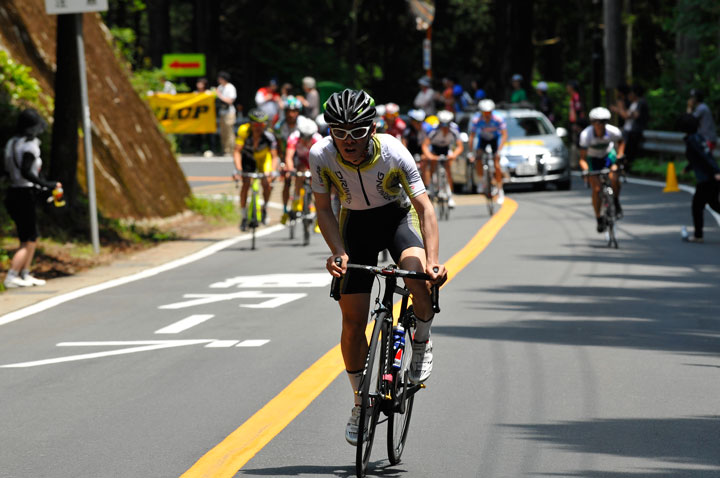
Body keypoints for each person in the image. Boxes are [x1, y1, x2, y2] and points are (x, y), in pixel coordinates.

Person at [309, 89, 447, 445]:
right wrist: (337, 251)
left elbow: (424, 208)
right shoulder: (321, 156)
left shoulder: (393, 152)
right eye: (339, 132)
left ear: (372, 129)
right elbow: (324, 209)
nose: (348, 140)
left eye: (357, 131)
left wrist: (432, 262)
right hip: (354, 227)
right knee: (353, 323)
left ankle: (421, 341)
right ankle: (360, 402)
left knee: (418, 280)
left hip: (395, 221)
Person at [3, 108, 60, 288]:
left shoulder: (12, 143)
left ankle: (25, 273)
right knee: (29, 237)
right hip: (25, 193)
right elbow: (27, 172)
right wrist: (48, 185)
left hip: (13, 191)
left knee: (29, 236)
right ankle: (13, 274)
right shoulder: (29, 145)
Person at [578, 107, 626, 232]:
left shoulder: (613, 131)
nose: (600, 125)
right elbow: (582, 159)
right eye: (596, 122)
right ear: (592, 123)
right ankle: (598, 217)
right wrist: (586, 171)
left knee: (614, 177)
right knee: (597, 189)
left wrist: (620, 155)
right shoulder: (585, 135)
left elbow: (621, 142)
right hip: (593, 159)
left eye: (603, 121)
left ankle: (615, 201)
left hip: (608, 156)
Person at [232, 108, 280, 230]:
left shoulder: (269, 135)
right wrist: (238, 169)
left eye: (262, 124)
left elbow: (274, 156)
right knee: (245, 184)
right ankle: (243, 216)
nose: (259, 127)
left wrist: (273, 171)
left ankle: (265, 209)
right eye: (256, 124)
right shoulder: (244, 131)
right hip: (248, 157)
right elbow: (237, 152)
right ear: (250, 124)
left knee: (266, 183)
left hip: (264, 159)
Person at [678, 113, 720, 243]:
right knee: (713, 203)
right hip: (709, 176)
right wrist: (688, 168)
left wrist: (715, 171)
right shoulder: (698, 137)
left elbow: (704, 157)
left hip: (707, 178)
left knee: (697, 206)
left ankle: (698, 235)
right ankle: (698, 235)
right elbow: (699, 158)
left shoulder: (692, 140)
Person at [282, 116, 324, 223]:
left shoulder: (318, 139)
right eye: (303, 137)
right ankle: (296, 200)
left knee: (317, 181)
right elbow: (289, 156)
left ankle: (316, 209)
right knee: (297, 174)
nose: (305, 140)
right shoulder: (293, 137)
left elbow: (322, 160)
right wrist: (291, 169)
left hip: (313, 161)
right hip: (300, 160)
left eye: (308, 137)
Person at [468, 99, 508, 203]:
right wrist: (471, 152)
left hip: (495, 139)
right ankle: (482, 181)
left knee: (497, 164)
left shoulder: (498, 118)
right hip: (483, 139)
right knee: (478, 157)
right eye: (484, 113)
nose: (487, 115)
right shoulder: (476, 119)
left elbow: (504, 135)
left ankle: (500, 190)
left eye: (489, 112)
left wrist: (499, 150)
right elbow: (472, 136)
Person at [421, 110, 462, 208]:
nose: (444, 127)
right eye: (442, 125)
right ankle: (431, 186)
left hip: (446, 149)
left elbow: (460, 146)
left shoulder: (454, 129)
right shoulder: (433, 130)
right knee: (431, 164)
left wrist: (454, 155)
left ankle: (450, 196)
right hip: (435, 148)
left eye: (446, 125)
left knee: (448, 170)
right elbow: (425, 146)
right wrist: (430, 156)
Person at [617, 85, 649, 167]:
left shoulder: (641, 102)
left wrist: (625, 112)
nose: (629, 95)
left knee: (629, 151)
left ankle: (626, 166)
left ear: (635, 93)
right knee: (622, 149)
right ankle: (622, 165)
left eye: (631, 93)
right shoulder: (633, 103)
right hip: (628, 130)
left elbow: (635, 115)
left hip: (634, 131)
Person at [687, 88, 717, 153]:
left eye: (693, 97)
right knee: (703, 160)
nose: (691, 99)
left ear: (696, 98)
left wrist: (689, 107)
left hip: (707, 139)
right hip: (707, 138)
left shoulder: (701, 108)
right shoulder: (702, 107)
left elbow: (688, 121)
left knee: (704, 159)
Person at [216, 71, 237, 156]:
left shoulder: (230, 87)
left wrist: (219, 95)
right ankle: (224, 149)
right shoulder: (220, 87)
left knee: (229, 132)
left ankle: (231, 150)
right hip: (222, 112)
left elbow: (230, 101)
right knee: (223, 132)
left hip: (229, 113)